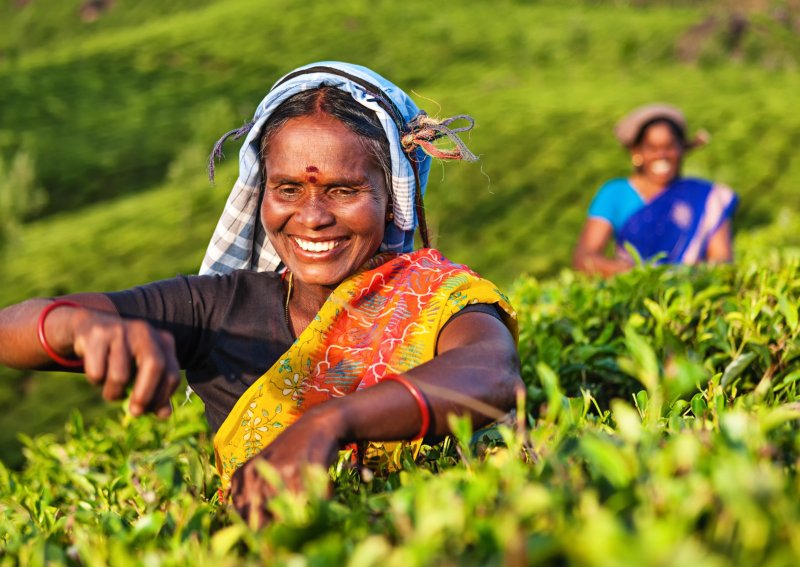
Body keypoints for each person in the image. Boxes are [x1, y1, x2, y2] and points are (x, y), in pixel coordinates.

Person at [0, 62, 521, 526]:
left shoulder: (439, 300)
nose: (312, 217)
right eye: (288, 188)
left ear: (392, 199)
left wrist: (332, 421)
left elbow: (492, 373)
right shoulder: (219, 309)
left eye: (344, 190)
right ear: (261, 193)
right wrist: (81, 326)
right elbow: (10, 330)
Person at [573, 103, 739, 277]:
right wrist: (638, 274)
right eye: (652, 148)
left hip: (688, 294)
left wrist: (686, 274)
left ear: (682, 149)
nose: (661, 155)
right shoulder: (615, 193)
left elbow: (722, 261)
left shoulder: (705, 197)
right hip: (632, 292)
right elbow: (584, 258)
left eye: (669, 147)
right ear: (637, 152)